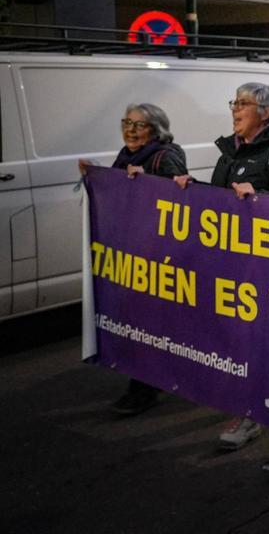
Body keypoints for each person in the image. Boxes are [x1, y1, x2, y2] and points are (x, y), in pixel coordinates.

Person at [173, 84, 269, 469]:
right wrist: (191, 190)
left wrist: (261, 197)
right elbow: (219, 198)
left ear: (265, 113)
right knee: (244, 345)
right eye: (233, 102)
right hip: (237, 269)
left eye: (243, 103)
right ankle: (253, 412)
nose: (235, 109)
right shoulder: (233, 148)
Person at [84, 103, 188, 415]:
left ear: (155, 130)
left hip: (157, 256)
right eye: (126, 123)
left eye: (138, 125)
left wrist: (148, 185)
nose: (130, 130)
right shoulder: (125, 156)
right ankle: (149, 381)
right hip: (132, 254)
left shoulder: (166, 156)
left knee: (150, 323)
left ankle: (143, 388)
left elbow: (181, 199)